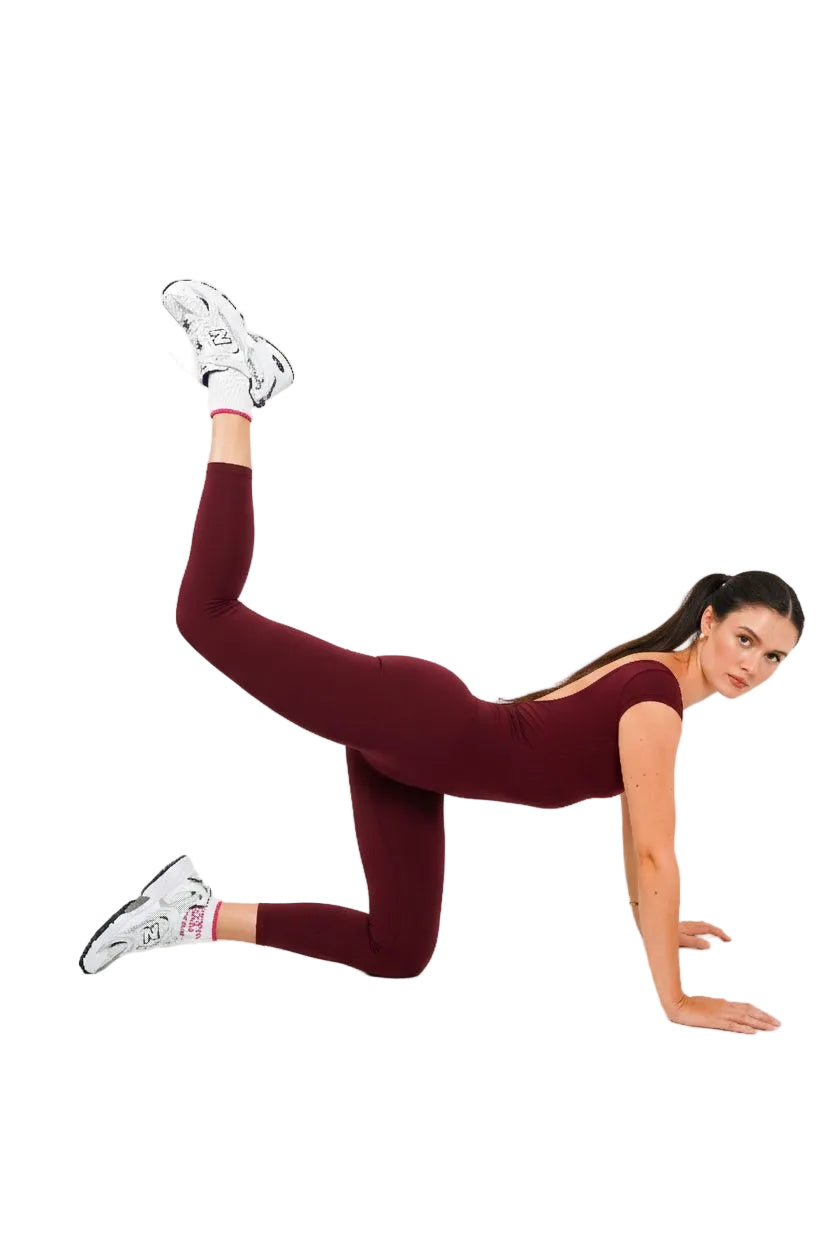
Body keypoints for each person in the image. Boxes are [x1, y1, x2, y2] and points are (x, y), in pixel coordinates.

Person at [79, 279, 802, 1035]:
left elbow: (637, 842)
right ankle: (235, 381)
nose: (752, 666)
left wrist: (656, 922)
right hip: (416, 721)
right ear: (710, 621)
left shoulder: (655, 687)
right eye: (746, 639)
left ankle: (189, 913)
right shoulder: (656, 700)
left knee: (397, 950)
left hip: (416, 760)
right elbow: (655, 854)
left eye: (775, 658)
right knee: (206, 616)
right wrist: (677, 1000)